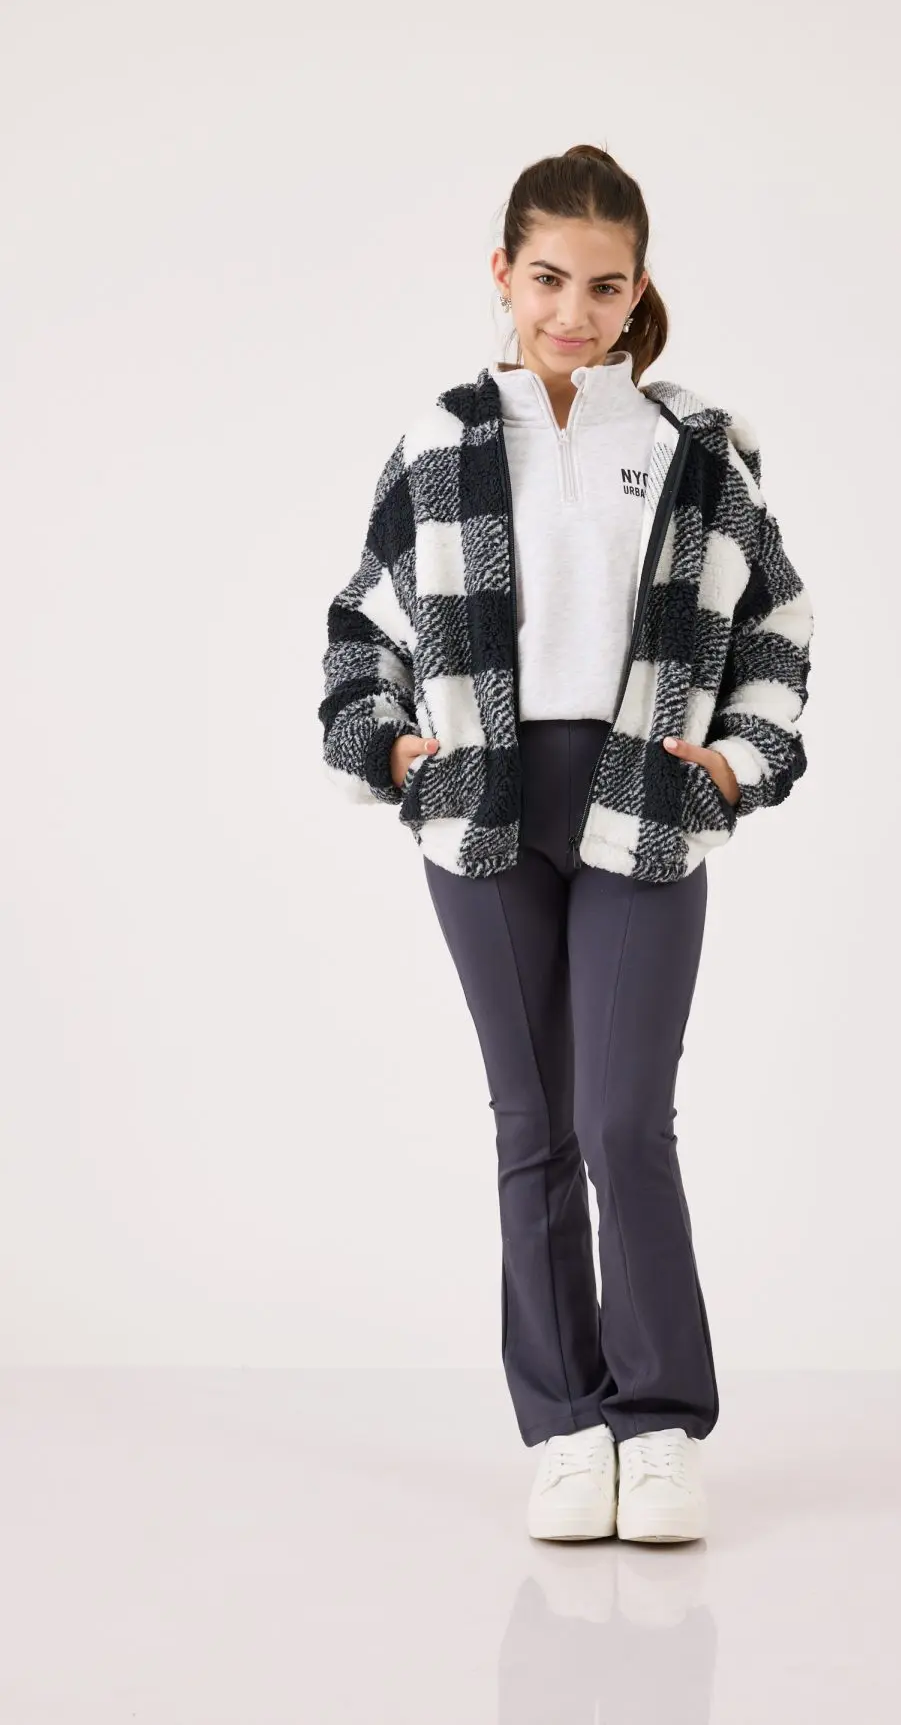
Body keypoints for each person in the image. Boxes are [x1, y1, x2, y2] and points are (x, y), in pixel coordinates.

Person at [318, 144, 814, 1544]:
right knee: (532, 1125)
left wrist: (735, 761)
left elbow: (777, 621)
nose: (573, 312)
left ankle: (657, 1424)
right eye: (548, 279)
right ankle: (565, 1426)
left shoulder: (697, 448)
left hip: (644, 795)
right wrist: (394, 749)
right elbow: (363, 627)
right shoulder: (442, 441)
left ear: (637, 289)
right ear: (503, 274)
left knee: (622, 1122)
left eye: (604, 286)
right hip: (483, 801)